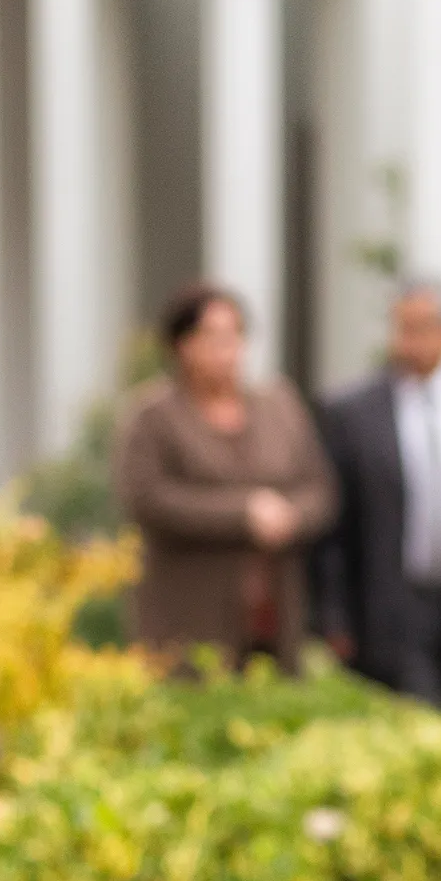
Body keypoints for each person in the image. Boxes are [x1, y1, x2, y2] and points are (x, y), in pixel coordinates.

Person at [113, 281, 338, 670]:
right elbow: (148, 498)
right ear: (182, 345)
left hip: (273, 605)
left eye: (236, 334)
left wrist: (290, 516)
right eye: (213, 336)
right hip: (192, 609)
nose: (228, 349)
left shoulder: (278, 405)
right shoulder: (153, 417)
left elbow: (318, 487)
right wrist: (243, 514)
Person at [314, 278, 441, 704]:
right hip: (388, 601)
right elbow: (334, 525)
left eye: (421, 328)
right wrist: (332, 616)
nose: (408, 342)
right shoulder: (351, 412)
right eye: (401, 328)